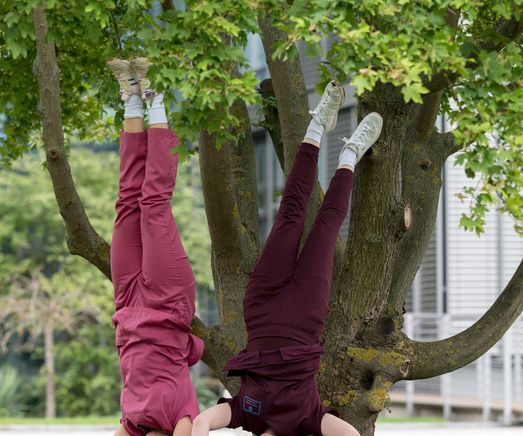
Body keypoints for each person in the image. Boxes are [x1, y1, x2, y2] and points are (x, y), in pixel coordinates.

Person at [191, 81, 383, 436]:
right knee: (326, 227)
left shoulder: (245, 415)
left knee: (290, 214)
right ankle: (350, 154)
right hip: (305, 316)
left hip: (262, 307)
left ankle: (315, 128)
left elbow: (202, 422)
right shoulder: (307, 421)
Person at [108, 57, 203, 436]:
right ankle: (156, 97)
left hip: (128, 300)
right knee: (153, 205)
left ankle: (131, 98)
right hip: (167, 301)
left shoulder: (133, 423)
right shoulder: (181, 417)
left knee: (127, 201)